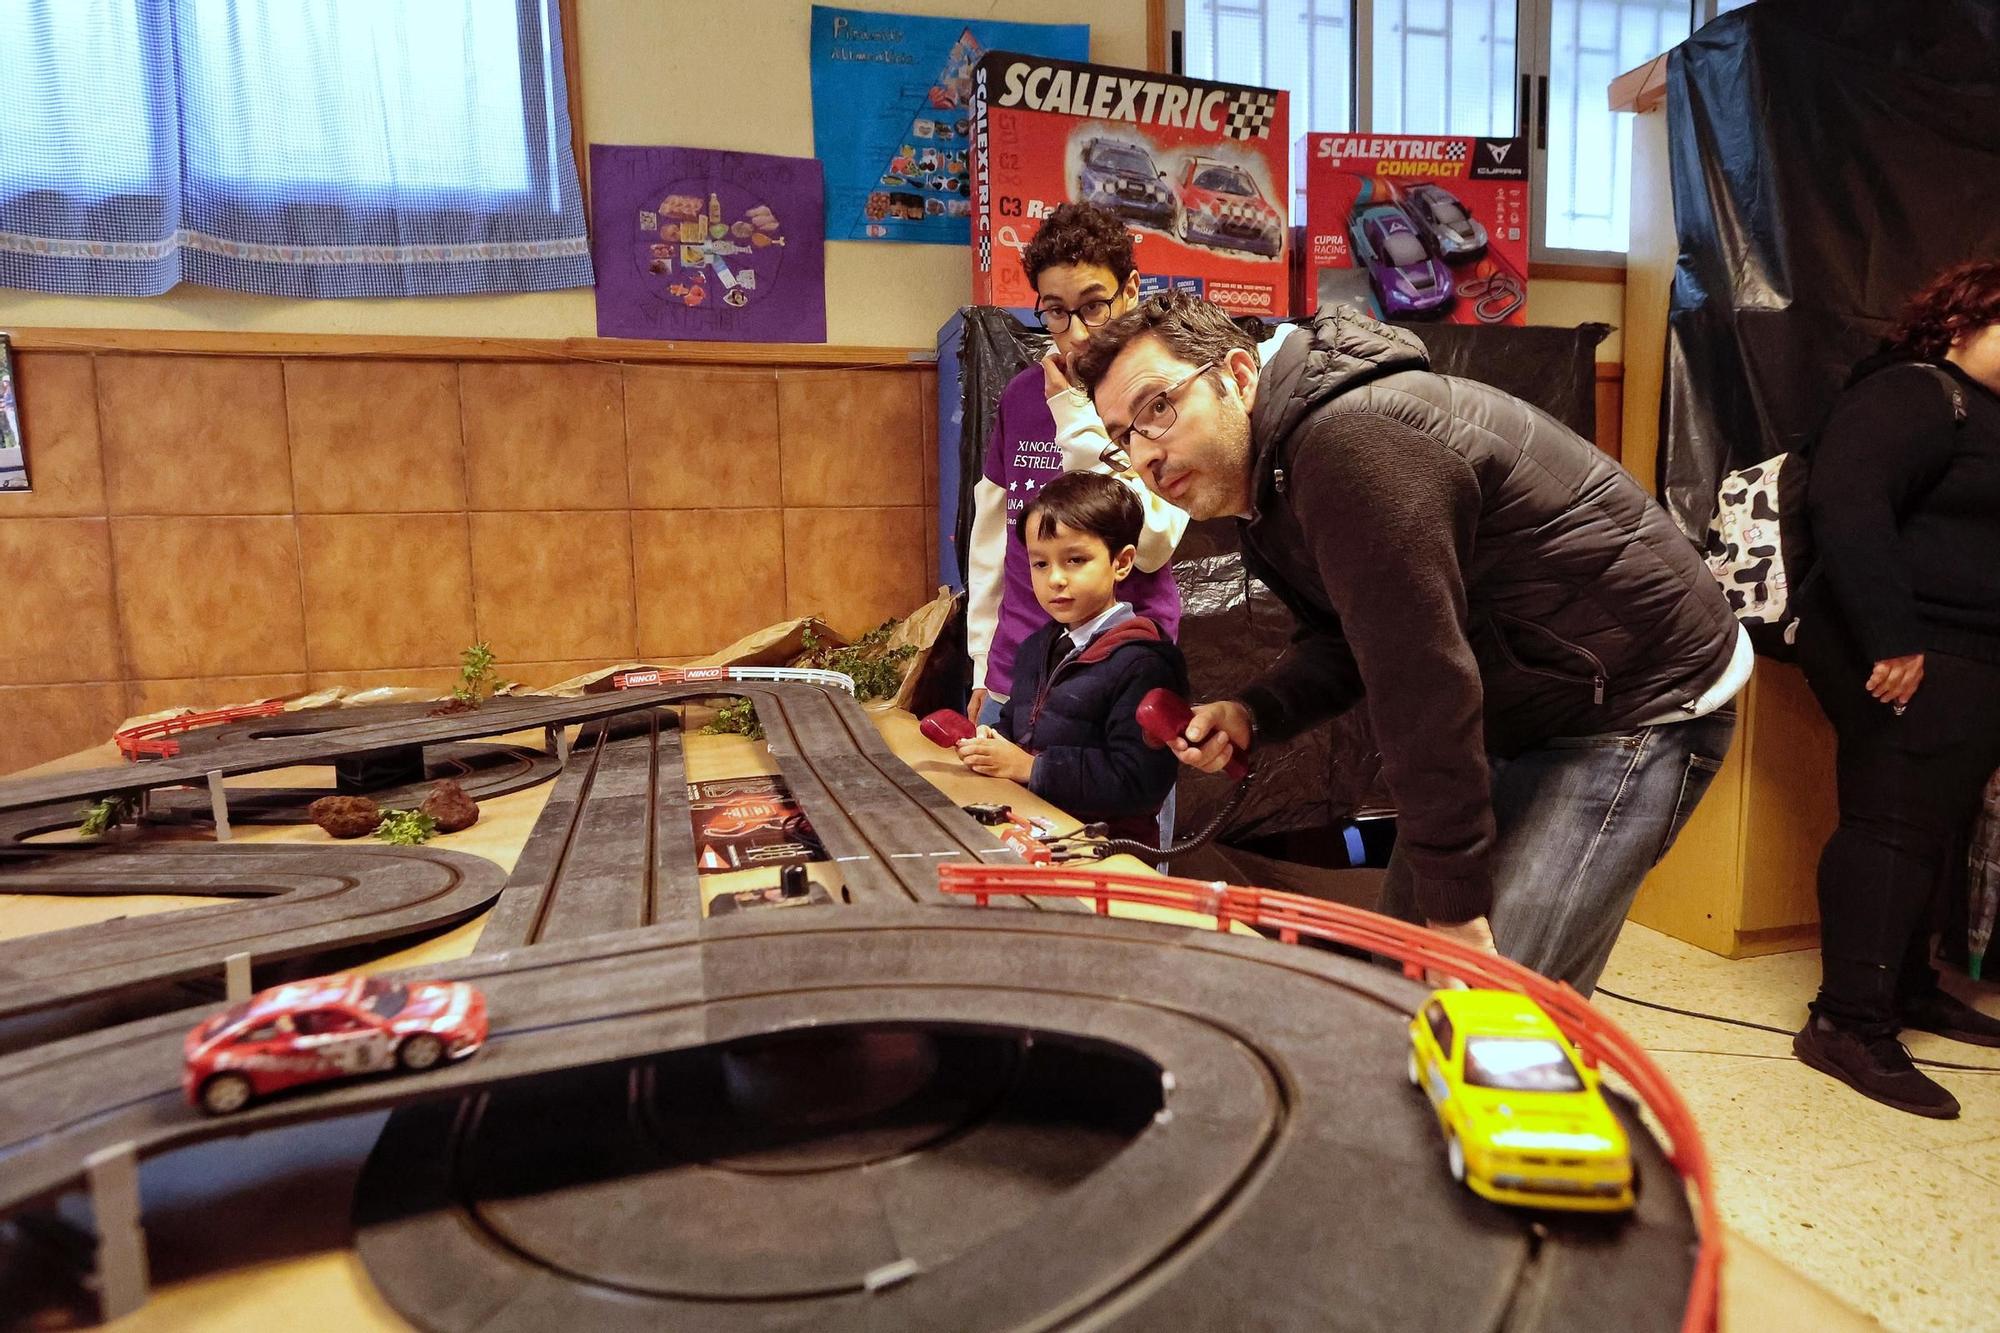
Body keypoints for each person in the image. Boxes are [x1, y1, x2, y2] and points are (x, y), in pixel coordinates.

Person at [1070, 292, 1749, 993]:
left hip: (1636, 692)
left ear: (1239, 376)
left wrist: (1455, 910)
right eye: (1124, 437)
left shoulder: (1348, 446)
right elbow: (1345, 640)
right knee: (1403, 977)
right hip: (1534, 692)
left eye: (1159, 407)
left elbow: (1420, 685)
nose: (1146, 453)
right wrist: (1255, 712)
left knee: (1490, 1004)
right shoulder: (1271, 474)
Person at [1789, 259, 2000, 1119]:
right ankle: (1846, 1022)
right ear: (1962, 324)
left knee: (1931, 827)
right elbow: (1847, 503)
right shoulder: (1914, 392)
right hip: (1909, 650)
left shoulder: (1982, 411)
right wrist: (1892, 636)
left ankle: (1906, 987)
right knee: (1892, 825)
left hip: (1968, 655)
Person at [965, 202, 1188, 732]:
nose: (1078, 332)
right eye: (1056, 312)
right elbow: (992, 539)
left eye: (1094, 306)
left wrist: (1076, 418)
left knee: (1108, 788)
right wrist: (980, 662)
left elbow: (1154, 542)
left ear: (1130, 290)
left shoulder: (1163, 396)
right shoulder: (1021, 397)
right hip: (1015, 669)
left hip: (1120, 676)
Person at [955, 471, 1185, 842]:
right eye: (1040, 564)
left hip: (1106, 851)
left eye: (1075, 560)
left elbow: (1140, 781)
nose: (1055, 579)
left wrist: (1031, 768)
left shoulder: (1144, 664)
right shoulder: (1035, 649)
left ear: (1122, 562)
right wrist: (992, 741)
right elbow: (1019, 725)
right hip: (1037, 833)